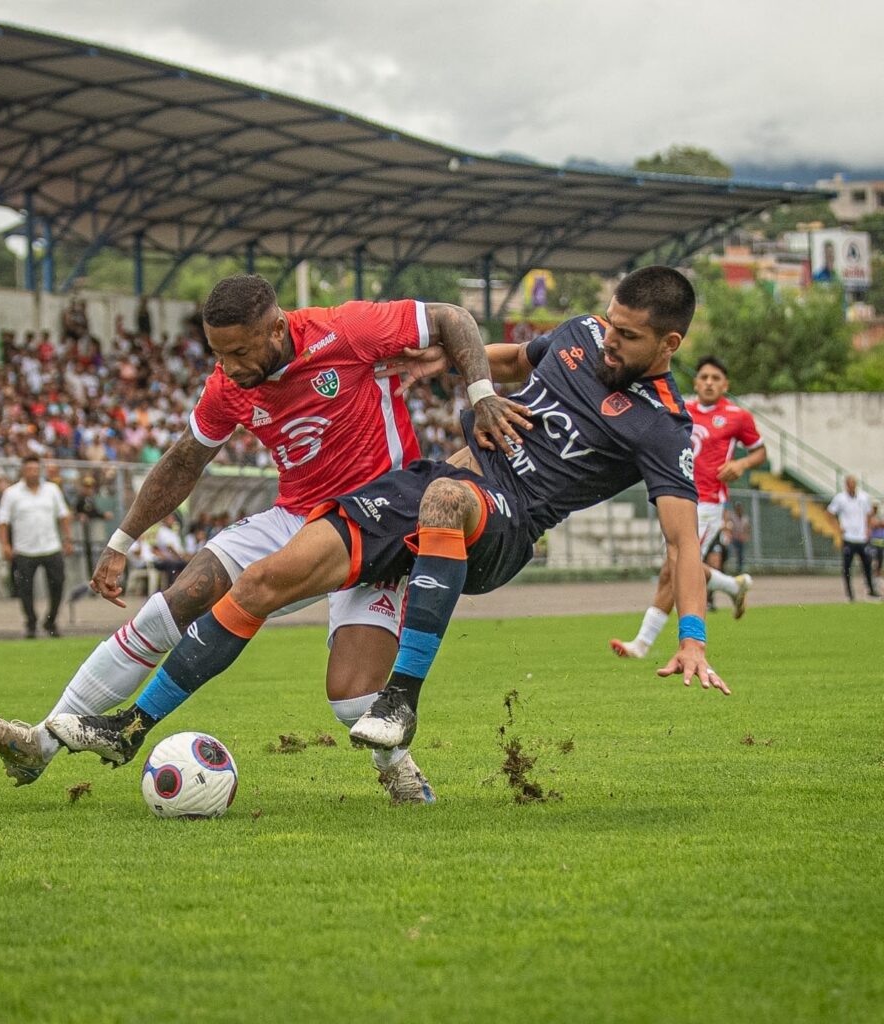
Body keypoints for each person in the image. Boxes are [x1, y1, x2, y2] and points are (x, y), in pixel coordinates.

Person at [44, 266, 730, 778]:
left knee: (445, 501)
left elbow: (683, 542)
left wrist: (693, 637)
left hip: (507, 522)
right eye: (609, 323)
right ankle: (131, 725)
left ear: (669, 343)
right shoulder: (581, 335)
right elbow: (521, 359)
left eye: (627, 336)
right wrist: (445, 364)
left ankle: (402, 698)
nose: (608, 340)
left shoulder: (664, 428)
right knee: (260, 582)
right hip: (431, 482)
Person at [0, 273, 522, 803]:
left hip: (381, 523)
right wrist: (121, 542)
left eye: (238, 352)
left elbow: (453, 317)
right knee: (175, 602)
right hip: (295, 517)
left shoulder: (347, 330)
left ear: (277, 328)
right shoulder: (226, 386)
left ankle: (396, 766)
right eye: (218, 354)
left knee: (353, 701)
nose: (228, 367)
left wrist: (481, 396)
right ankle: (38, 744)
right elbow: (184, 461)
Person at [610, 355, 766, 659]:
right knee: (682, 566)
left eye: (716, 378)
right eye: (704, 377)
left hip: (708, 502)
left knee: (673, 568)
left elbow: (760, 452)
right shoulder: (681, 409)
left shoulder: (737, 416)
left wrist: (741, 464)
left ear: (725, 385)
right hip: (678, 496)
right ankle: (733, 587)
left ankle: (641, 643)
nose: (709, 383)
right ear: (695, 382)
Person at [0, 455, 74, 638]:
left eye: (36, 469)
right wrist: (5, 545)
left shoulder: (52, 490)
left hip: (51, 546)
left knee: (58, 584)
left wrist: (68, 539)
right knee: (25, 589)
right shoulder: (12, 493)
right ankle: (31, 622)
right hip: (24, 549)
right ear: (23, 471)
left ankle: (51, 620)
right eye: (29, 469)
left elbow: (63, 515)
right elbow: (2, 521)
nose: (33, 473)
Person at [826, 475, 879, 601]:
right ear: (846, 485)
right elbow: (829, 513)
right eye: (849, 484)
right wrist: (838, 528)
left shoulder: (863, 497)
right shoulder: (840, 498)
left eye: (853, 484)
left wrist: (868, 529)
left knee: (867, 564)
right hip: (848, 537)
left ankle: (871, 590)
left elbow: (869, 514)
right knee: (847, 567)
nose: (851, 486)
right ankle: (850, 593)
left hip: (862, 537)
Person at [726, 500, 751, 574]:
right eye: (737, 507)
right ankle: (725, 568)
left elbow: (747, 528)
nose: (739, 509)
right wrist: (729, 535)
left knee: (740, 555)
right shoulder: (732, 516)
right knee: (729, 552)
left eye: (740, 507)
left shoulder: (745, 518)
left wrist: (745, 535)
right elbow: (729, 526)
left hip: (741, 539)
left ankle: (739, 570)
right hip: (733, 538)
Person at [870, 502, 884, 587]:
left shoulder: (879, 516)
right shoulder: (870, 517)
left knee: (880, 562)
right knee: (874, 562)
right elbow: (873, 524)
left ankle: (877, 578)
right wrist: (879, 524)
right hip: (873, 544)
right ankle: (872, 578)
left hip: (881, 544)